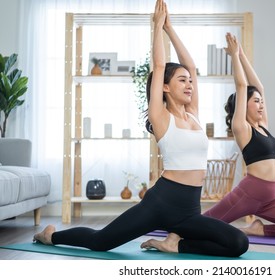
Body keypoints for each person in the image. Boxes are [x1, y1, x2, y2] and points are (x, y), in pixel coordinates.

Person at [33, 0, 248, 257]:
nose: (189, 84)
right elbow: (159, 66)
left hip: (190, 209)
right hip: (160, 203)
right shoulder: (161, 117)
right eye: (182, 81)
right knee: (102, 242)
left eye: (190, 81)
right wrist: (157, 27)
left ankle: (174, 243)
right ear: (165, 88)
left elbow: (190, 66)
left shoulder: (194, 115)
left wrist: (171, 28)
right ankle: (51, 236)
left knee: (238, 243)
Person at [203, 33, 275, 240]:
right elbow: (242, 86)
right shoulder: (242, 128)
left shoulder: (262, 126)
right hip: (247, 195)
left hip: (269, 200)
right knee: (199, 227)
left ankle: (259, 229)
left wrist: (241, 54)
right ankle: (165, 225)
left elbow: (260, 87)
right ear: (243, 105)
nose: (261, 104)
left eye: (261, 101)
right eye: (256, 101)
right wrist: (233, 57)